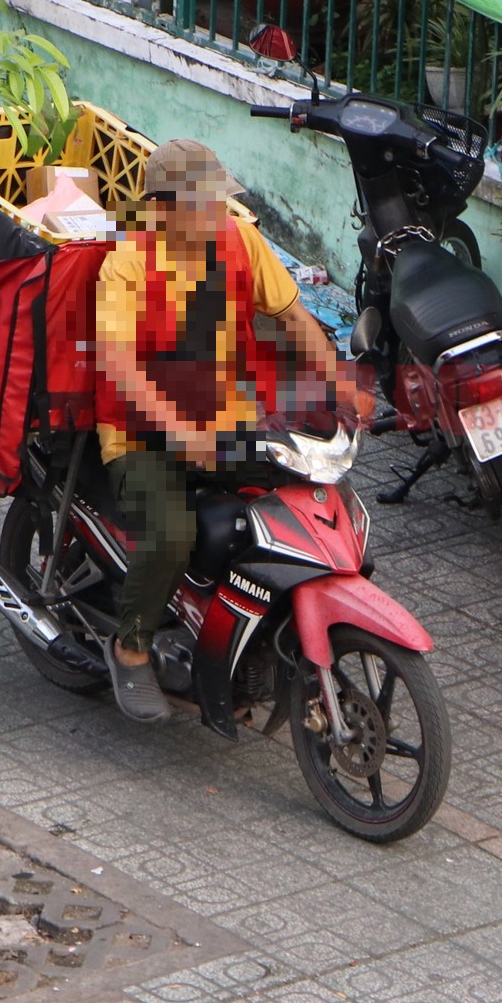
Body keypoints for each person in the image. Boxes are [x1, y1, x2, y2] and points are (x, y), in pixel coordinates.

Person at [90, 139, 342, 721]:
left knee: (303, 488)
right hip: (141, 433)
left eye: (218, 201)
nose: (215, 214)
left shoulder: (238, 239)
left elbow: (295, 320)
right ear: (161, 207)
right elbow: (121, 371)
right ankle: (130, 648)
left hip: (226, 418)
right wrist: (181, 430)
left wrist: (340, 388)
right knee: (172, 533)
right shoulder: (127, 263)